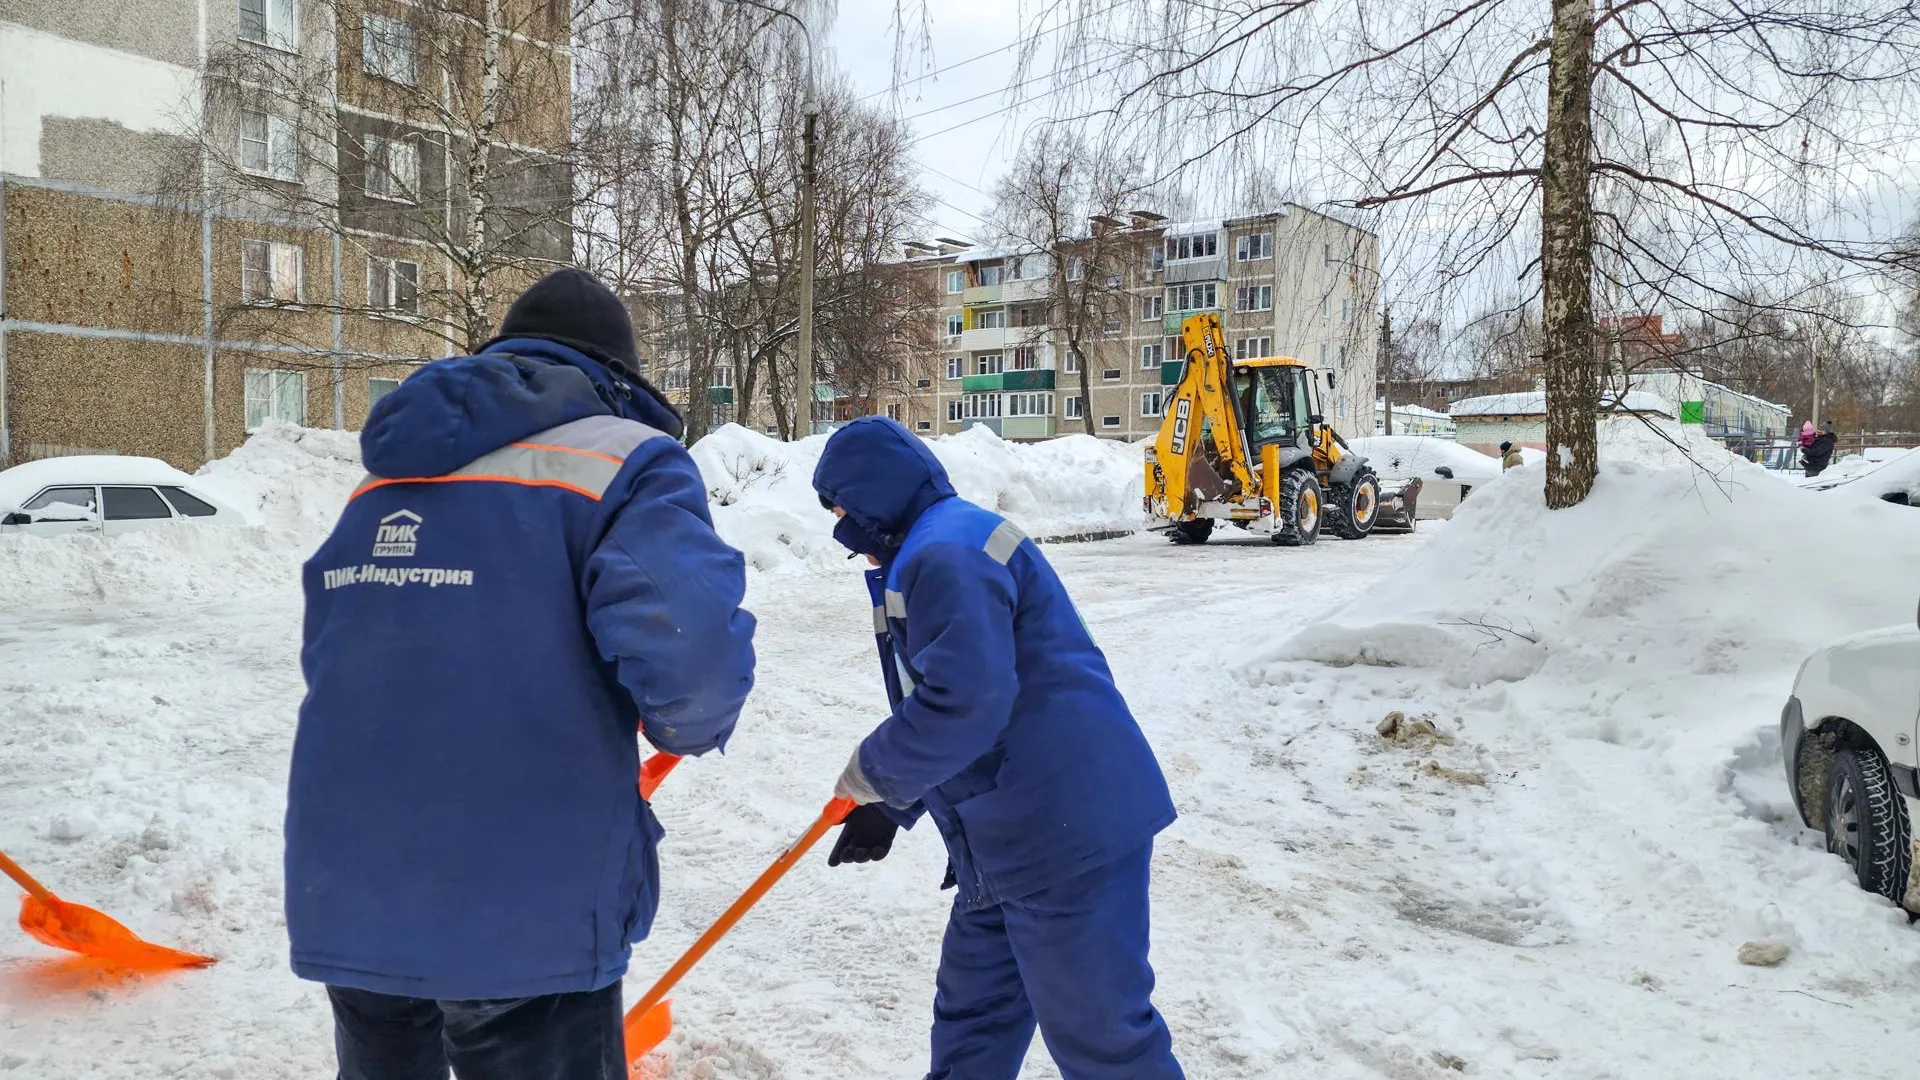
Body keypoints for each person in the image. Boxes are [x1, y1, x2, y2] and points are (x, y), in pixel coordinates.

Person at [285, 268, 757, 1080]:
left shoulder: (382, 478)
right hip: (523, 904)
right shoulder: (628, 458)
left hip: (352, 885)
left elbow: (335, 649)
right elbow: (691, 652)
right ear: (617, 377)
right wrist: (688, 728)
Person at [812, 416, 1185, 1080]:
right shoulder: (941, 540)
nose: (841, 530)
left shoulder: (943, 554)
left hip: (1062, 837)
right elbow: (967, 702)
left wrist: (872, 775)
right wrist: (893, 804)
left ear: (870, 495)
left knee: (1103, 1039)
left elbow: (966, 704)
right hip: (1006, 840)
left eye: (839, 509)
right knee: (973, 1024)